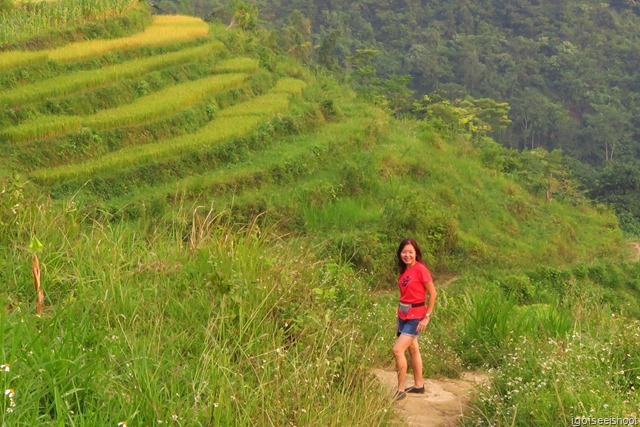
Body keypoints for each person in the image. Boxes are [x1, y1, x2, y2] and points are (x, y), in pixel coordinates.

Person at [392, 238, 437, 401]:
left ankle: (400, 390)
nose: (407, 255)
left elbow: (433, 294)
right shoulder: (404, 271)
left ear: (416, 253)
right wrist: (399, 317)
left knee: (397, 350)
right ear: (400, 254)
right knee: (413, 349)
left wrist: (427, 318)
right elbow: (404, 295)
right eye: (404, 252)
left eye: (410, 252)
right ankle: (419, 385)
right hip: (403, 315)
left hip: (416, 316)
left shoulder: (421, 269)